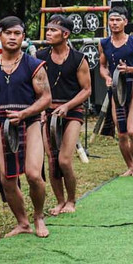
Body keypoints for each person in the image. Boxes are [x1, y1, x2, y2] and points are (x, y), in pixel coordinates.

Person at [0, 16, 52, 238]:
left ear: (23, 37)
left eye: (17, 34)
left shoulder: (33, 65)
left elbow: (46, 99)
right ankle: (22, 222)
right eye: (8, 33)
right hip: (3, 125)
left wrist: (24, 113)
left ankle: (39, 217)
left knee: (33, 174)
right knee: (7, 178)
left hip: (30, 122)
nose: (13, 38)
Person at [37, 15, 92, 214]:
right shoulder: (39, 56)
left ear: (65, 34)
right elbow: (35, 86)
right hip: (47, 111)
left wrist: (67, 106)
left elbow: (86, 90)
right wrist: (40, 109)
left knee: (64, 160)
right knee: (52, 159)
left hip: (72, 111)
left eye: (53, 30)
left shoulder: (79, 59)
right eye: (48, 30)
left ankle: (71, 200)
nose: (48, 33)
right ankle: (59, 201)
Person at [98, 6, 133, 177]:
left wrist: (129, 69)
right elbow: (103, 66)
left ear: (125, 22)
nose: (114, 23)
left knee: (131, 130)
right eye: (111, 20)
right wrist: (106, 77)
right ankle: (129, 166)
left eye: (118, 20)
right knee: (121, 133)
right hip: (116, 89)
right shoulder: (104, 43)